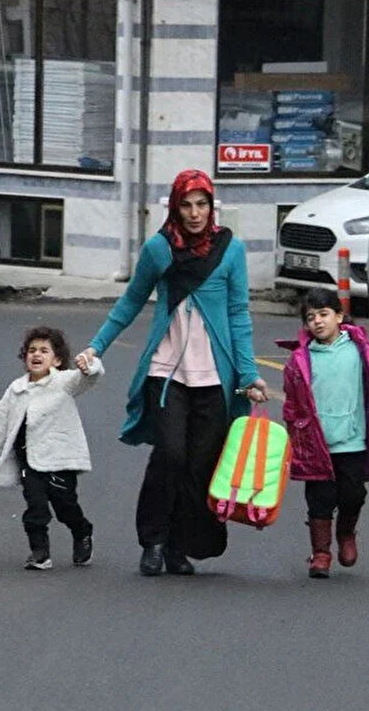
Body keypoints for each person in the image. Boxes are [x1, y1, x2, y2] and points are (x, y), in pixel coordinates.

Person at [75, 169, 268, 576]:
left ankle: (179, 546)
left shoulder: (230, 250)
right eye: (186, 205)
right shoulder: (159, 249)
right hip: (166, 375)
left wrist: (248, 374)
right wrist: (96, 346)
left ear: (212, 207)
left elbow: (239, 314)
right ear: (175, 209)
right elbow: (130, 302)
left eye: (202, 205)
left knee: (199, 465)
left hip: (215, 378)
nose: (195, 213)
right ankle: (154, 541)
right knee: (170, 455)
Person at [278, 289, 369, 579]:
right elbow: (292, 404)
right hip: (316, 443)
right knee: (319, 499)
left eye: (324, 314)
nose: (317, 322)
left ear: (339, 316)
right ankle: (321, 554)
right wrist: (292, 436)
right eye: (311, 317)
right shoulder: (300, 360)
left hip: (352, 440)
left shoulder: (361, 352)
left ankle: (346, 531)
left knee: (353, 494)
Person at [0, 326, 104, 570]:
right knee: (35, 508)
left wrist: (89, 366)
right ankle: (40, 552)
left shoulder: (64, 382)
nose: (37, 355)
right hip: (30, 462)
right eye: (32, 350)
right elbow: (0, 423)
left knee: (65, 507)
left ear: (57, 360)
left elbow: (88, 378)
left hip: (60, 461)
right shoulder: (16, 389)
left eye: (44, 351)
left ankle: (82, 532)